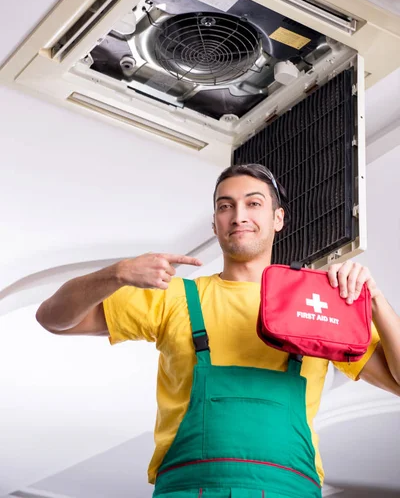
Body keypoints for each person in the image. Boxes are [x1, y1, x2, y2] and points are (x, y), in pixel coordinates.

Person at [36, 163, 400, 498]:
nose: (239, 216)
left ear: (278, 218)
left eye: (253, 203)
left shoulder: (317, 305)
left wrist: (377, 301)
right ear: (215, 224)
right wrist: (115, 273)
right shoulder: (174, 297)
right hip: (187, 487)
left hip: (289, 488)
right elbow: (52, 318)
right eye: (226, 206)